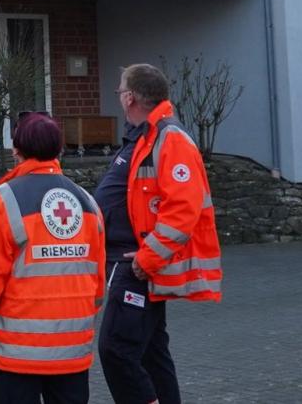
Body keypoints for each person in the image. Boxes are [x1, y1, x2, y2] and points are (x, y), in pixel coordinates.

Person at [94, 64, 221, 404]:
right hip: (135, 261)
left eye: (121, 91)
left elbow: (183, 209)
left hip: (137, 263)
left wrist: (148, 258)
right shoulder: (147, 135)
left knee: (116, 350)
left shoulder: (169, 138)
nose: (120, 96)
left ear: (131, 97)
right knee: (151, 353)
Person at [0, 113, 105, 404]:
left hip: (15, 355)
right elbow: (97, 283)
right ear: (59, 150)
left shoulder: (2, 201)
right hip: (72, 354)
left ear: (16, 150)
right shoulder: (86, 202)